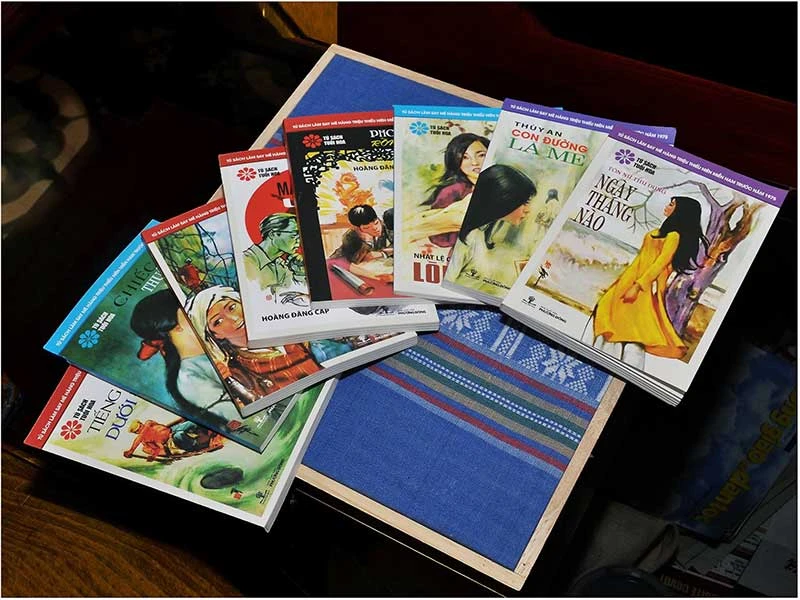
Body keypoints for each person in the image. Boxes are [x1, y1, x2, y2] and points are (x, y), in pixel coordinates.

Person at [587, 196, 710, 368]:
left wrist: (638, 286)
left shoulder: (674, 236)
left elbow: (660, 264)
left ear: (680, 211)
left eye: (672, 204)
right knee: (610, 316)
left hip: (643, 286)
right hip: (629, 279)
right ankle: (597, 357)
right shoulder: (662, 232)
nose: (667, 206)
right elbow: (642, 259)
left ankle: (614, 365)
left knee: (628, 329)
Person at [185, 286, 350, 402]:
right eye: (218, 322)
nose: (233, 319)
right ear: (215, 335)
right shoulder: (238, 371)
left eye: (232, 307)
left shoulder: (285, 322)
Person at [130, 289, 241, 426]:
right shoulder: (189, 378)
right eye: (189, 307)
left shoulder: (216, 348)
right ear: (177, 326)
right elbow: (240, 421)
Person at [446, 164, 536, 290]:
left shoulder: (482, 231)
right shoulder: (465, 237)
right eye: (525, 203)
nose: (528, 210)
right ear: (504, 198)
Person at [421, 132, 490, 247]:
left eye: (481, 155)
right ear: (456, 162)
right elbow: (437, 235)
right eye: (465, 157)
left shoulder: (501, 182)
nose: (475, 162)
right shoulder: (452, 191)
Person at [242, 212, 306, 294]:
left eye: (300, 236)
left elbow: (294, 292)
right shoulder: (245, 261)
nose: (299, 241)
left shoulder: (283, 266)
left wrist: (299, 273)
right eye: (294, 235)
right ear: (272, 234)